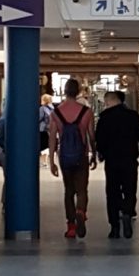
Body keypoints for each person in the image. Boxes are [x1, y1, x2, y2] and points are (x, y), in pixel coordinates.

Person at [95, 91, 139, 239]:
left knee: (112, 192)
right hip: (129, 159)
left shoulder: (104, 118)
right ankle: (127, 212)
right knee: (130, 189)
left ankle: (114, 227)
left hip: (112, 161)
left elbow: (99, 139)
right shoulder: (132, 115)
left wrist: (101, 154)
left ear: (109, 101)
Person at [49, 79, 97, 239]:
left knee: (68, 191)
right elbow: (91, 136)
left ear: (64, 90)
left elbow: (52, 139)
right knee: (82, 190)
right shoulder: (87, 112)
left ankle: (71, 227)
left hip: (64, 155)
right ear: (78, 92)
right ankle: (81, 212)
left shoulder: (56, 113)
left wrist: (51, 161)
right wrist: (94, 155)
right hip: (81, 155)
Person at [38, 94, 54, 168]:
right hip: (49, 129)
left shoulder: (42, 108)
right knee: (46, 145)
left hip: (42, 129)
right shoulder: (52, 108)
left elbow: (39, 118)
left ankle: (42, 161)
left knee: (41, 145)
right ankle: (45, 161)